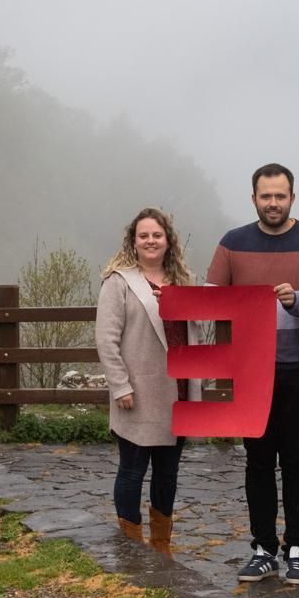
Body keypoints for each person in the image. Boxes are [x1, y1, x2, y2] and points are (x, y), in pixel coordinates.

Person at [207, 163, 299, 584]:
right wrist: (170, 296)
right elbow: (209, 299)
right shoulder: (232, 242)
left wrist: (295, 299)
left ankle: (298, 548)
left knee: (297, 459)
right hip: (250, 369)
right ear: (254, 198)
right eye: (266, 196)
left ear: (293, 198)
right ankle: (263, 548)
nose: (273, 203)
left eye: (281, 196)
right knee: (257, 460)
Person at [95, 207, 202, 553]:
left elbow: (199, 331)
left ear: (168, 240)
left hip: (179, 392)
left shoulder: (184, 283)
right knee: (131, 472)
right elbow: (106, 339)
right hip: (138, 394)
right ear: (133, 241)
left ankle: (160, 545)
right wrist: (120, 386)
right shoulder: (119, 282)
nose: (151, 241)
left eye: (157, 235)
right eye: (144, 235)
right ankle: (130, 545)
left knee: (167, 474)